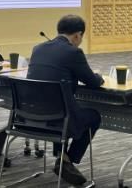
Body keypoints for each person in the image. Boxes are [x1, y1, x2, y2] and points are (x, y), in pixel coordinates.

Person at [27, 15, 103, 186]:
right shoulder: (73, 52)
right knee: (93, 117)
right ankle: (67, 160)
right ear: (77, 35)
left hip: (31, 117)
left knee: (63, 108)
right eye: (81, 37)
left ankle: (62, 157)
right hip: (59, 119)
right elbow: (93, 82)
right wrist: (98, 75)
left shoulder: (37, 49)